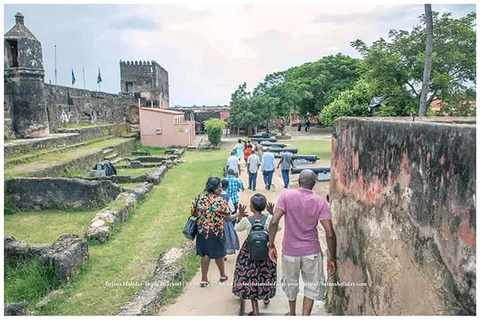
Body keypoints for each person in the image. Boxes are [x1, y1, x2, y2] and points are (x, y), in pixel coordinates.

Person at [268, 169, 337, 316]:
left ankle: (292, 313)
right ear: (314, 184)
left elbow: (274, 221)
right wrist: (332, 258)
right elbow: (330, 233)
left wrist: (271, 244)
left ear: (299, 180)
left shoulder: (286, 196)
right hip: (311, 252)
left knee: (291, 284)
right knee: (312, 287)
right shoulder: (320, 202)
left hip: (290, 252)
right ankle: (305, 316)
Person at [233, 194, 279, 316]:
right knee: (266, 275)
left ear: (252, 207)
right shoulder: (269, 218)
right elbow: (277, 228)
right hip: (266, 251)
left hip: (250, 253)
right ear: (265, 206)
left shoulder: (247, 220)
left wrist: (240, 215)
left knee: (252, 278)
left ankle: (256, 310)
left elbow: (237, 228)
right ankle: (266, 297)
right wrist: (272, 213)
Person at [191, 177, 242, 287]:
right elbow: (228, 218)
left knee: (205, 254)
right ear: (215, 189)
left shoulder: (199, 198)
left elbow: (193, 213)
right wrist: (239, 214)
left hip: (202, 232)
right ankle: (222, 275)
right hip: (216, 232)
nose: (221, 189)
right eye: (219, 187)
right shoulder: (220, 201)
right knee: (219, 254)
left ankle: (204, 278)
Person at [221, 179, 240, 260]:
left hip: (214, 221)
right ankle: (223, 254)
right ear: (227, 187)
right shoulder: (227, 197)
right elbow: (232, 209)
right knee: (225, 236)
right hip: (225, 221)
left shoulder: (214, 196)